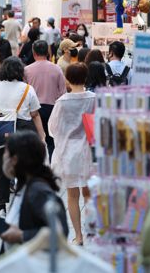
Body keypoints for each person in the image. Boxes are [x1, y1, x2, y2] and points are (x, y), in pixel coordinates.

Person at [0, 57, 45, 217]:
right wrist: (42, 136)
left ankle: (2, 207)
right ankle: (22, 202)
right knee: (24, 169)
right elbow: (35, 114)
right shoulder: (27, 89)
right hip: (22, 133)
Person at [49, 63, 95, 246]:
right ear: (85, 77)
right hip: (89, 151)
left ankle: (78, 236)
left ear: (67, 79)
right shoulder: (94, 98)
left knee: (72, 195)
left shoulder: (62, 101)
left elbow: (53, 128)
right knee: (89, 193)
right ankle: (91, 230)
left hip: (68, 151)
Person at [0, 131, 69, 250]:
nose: (4, 157)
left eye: (6, 152)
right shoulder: (23, 187)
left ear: (15, 159)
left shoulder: (38, 192)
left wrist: (22, 236)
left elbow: (59, 233)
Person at [24, 40, 66, 160]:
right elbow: (63, 93)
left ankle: (36, 165)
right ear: (47, 52)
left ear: (33, 52)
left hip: (33, 111)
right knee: (51, 140)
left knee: (35, 140)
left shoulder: (27, 70)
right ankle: (51, 164)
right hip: (53, 108)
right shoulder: (56, 69)